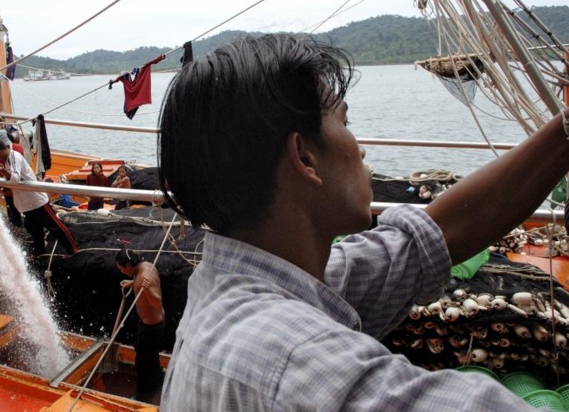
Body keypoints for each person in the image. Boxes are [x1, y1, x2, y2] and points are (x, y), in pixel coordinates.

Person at [157, 33, 569, 411]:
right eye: (344, 122)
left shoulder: (242, 283)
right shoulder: (295, 363)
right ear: (305, 158)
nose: (362, 149)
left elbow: (440, 233)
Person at [0, 136, 79, 256]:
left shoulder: (14, 157)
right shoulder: (7, 161)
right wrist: (3, 190)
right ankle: (39, 254)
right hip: (27, 204)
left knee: (55, 226)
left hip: (37, 201)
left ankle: (73, 249)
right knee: (34, 229)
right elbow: (14, 184)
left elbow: (15, 179)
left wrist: (3, 171)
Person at [115, 248, 165, 403]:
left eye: (122, 269)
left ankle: (143, 396)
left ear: (128, 265)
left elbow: (157, 302)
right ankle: (159, 377)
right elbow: (140, 280)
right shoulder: (145, 266)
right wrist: (133, 283)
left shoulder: (144, 277)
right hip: (148, 324)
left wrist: (148, 290)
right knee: (148, 353)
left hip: (152, 326)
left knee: (143, 364)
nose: (122, 272)